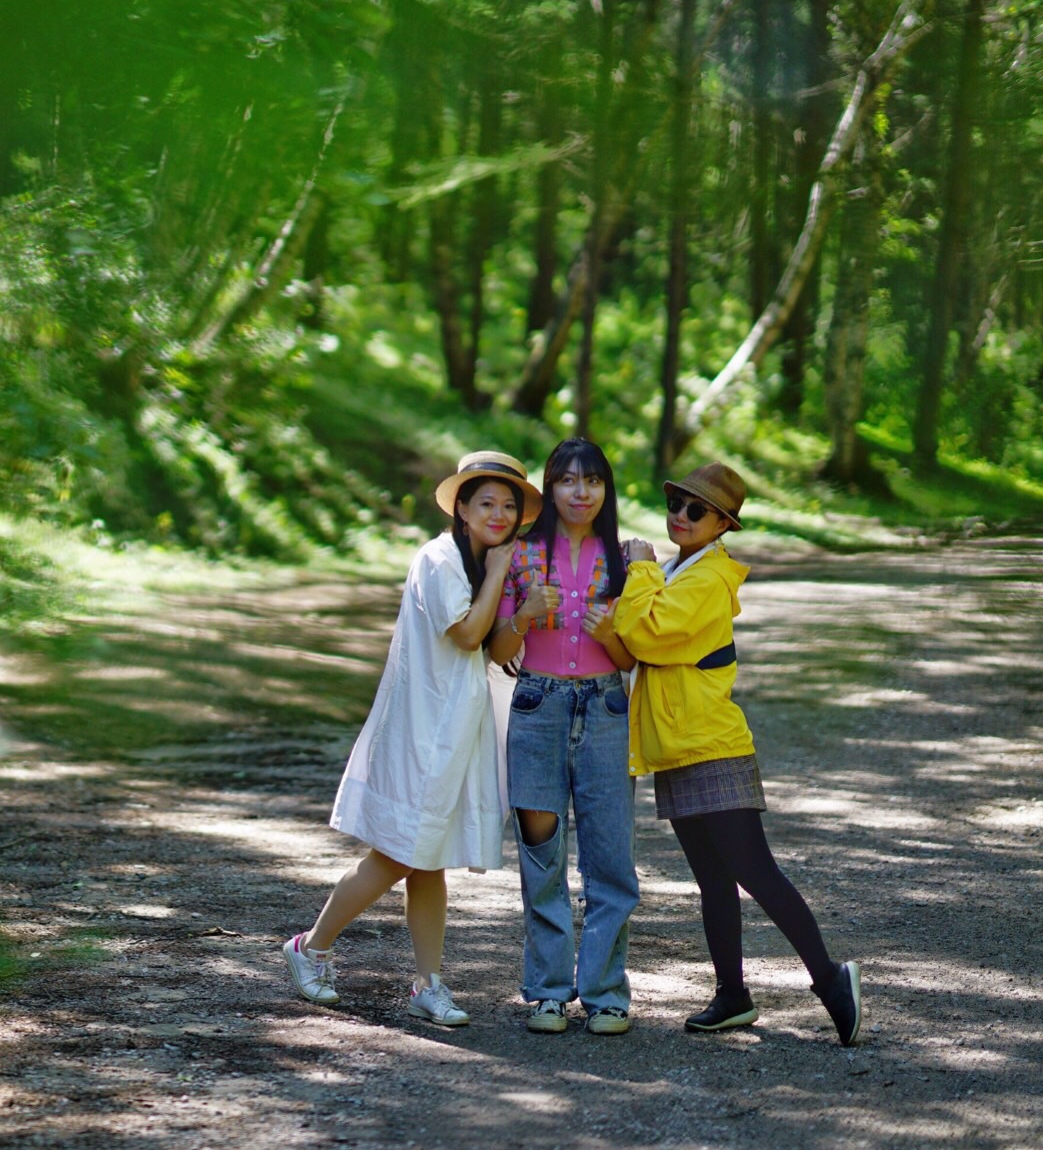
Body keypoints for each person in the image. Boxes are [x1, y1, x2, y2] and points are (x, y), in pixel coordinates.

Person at [282, 451, 540, 1025]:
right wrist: (501, 575)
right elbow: (469, 636)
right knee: (400, 853)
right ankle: (311, 948)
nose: (499, 513)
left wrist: (522, 612)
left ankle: (427, 983)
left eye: (509, 505)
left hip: (459, 728)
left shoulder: (484, 560)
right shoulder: (443, 558)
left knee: (431, 860)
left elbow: (499, 651)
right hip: (424, 728)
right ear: (463, 508)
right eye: (486, 503)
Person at [611, 462, 865, 1045]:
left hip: (712, 745)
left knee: (755, 871)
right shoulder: (681, 569)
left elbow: (647, 634)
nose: (680, 515)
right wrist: (649, 575)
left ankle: (830, 981)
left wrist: (641, 568)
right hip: (679, 744)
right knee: (712, 880)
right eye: (675, 502)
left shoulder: (707, 579)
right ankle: (732, 995)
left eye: (696, 510)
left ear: (723, 523)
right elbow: (634, 633)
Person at [487, 438, 645, 1037]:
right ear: (550, 489)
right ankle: (550, 991)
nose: (581, 493)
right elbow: (499, 651)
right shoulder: (520, 554)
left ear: (606, 490)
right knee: (542, 854)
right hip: (537, 706)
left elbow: (631, 659)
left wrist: (611, 634)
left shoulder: (626, 559)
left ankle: (605, 993)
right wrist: (523, 616)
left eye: (593, 482)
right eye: (568, 481)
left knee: (610, 856)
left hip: (605, 708)